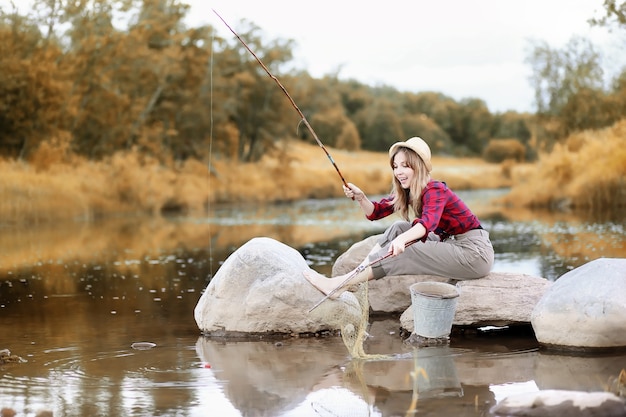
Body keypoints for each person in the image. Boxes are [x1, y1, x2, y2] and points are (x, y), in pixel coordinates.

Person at [303, 136, 494, 298]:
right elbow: (376, 212)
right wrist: (361, 198)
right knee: (398, 228)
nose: (398, 172)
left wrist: (402, 241)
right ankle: (351, 279)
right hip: (453, 244)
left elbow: (427, 224)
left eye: (405, 166)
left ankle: (340, 284)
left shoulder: (435, 189)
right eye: (395, 166)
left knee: (407, 248)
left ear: (418, 166)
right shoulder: (410, 191)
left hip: (474, 253)